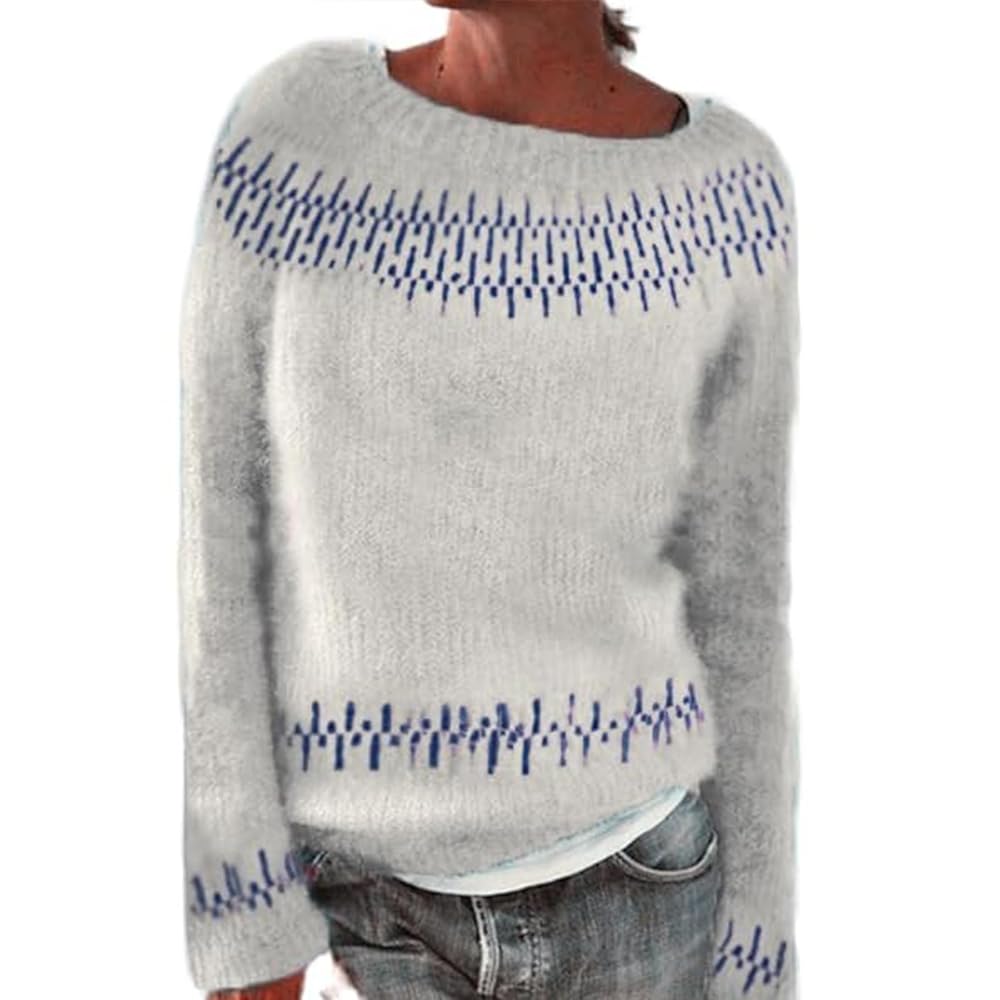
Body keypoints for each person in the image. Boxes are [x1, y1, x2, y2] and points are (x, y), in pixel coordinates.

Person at [177, 3, 801, 998]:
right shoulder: (297, 133)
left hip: (644, 897)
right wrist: (242, 910)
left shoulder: (721, 194)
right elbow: (221, 531)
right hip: (355, 912)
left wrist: (757, 949)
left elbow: (738, 596)